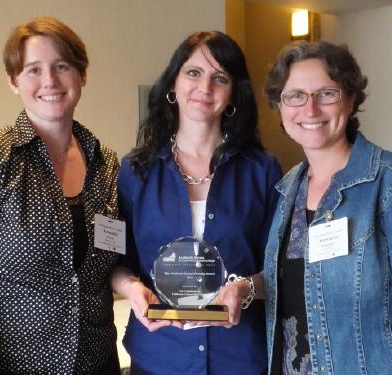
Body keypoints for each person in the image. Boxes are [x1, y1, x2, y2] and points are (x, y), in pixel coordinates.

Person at [0, 16, 121, 375]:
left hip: (99, 363)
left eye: (61, 66)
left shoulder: (107, 164)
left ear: (82, 75)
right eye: (33, 69)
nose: (49, 81)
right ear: (13, 80)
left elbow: (112, 263)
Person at [262, 41, 392, 374]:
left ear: (351, 100)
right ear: (281, 106)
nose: (310, 110)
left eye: (326, 93)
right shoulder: (289, 188)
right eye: (295, 96)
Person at [111, 31, 282, 375]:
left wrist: (246, 288)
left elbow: (279, 266)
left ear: (233, 93)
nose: (205, 87)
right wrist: (131, 287)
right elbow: (116, 261)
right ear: (173, 84)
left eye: (220, 77)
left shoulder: (263, 170)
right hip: (159, 355)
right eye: (193, 73)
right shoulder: (135, 171)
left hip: (240, 357)